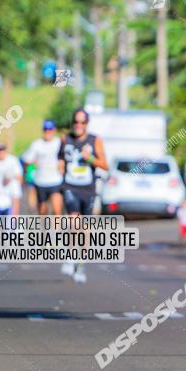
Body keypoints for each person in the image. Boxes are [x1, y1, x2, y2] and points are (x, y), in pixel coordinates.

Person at [57, 108, 108, 283]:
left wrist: (90, 158)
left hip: (88, 189)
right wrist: (60, 166)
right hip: (70, 186)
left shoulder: (95, 140)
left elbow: (105, 164)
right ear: (73, 123)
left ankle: (81, 264)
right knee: (73, 221)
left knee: (85, 229)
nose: (79, 125)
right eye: (76, 122)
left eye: (82, 122)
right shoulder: (65, 139)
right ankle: (71, 255)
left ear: (87, 124)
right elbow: (61, 158)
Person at [23, 120, 63, 215]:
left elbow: (65, 157)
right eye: (45, 129)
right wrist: (32, 164)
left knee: (57, 209)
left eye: (50, 129)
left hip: (56, 180)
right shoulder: (37, 144)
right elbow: (26, 160)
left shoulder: (59, 143)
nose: (48, 132)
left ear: (54, 130)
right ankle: (45, 229)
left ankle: (56, 230)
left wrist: (62, 165)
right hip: (41, 181)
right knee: (42, 211)